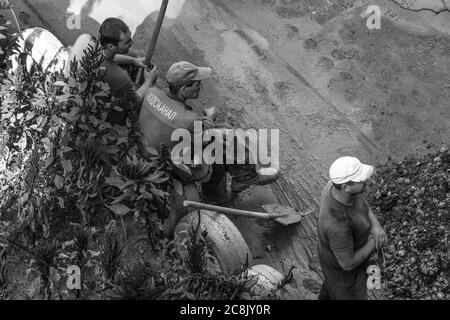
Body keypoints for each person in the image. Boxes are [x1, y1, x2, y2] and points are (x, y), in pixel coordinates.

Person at [138, 61, 278, 204]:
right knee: (220, 142)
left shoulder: (151, 92)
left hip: (144, 155)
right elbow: (203, 139)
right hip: (168, 167)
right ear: (184, 89)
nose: (200, 86)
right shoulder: (188, 119)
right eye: (196, 84)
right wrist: (209, 118)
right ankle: (228, 188)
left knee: (221, 131)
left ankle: (240, 178)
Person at [317, 156, 387, 300]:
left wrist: (375, 225)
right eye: (361, 180)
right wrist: (374, 241)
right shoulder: (338, 225)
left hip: (339, 255)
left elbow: (361, 201)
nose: (366, 181)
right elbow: (347, 264)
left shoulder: (334, 185)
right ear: (346, 186)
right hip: (344, 274)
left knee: (330, 290)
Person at [98, 17, 158, 125]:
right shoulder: (120, 77)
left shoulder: (96, 48)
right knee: (135, 102)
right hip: (108, 113)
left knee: (131, 54)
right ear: (111, 46)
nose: (132, 43)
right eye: (127, 42)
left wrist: (133, 61)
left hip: (102, 86)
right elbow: (134, 102)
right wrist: (149, 81)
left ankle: (129, 89)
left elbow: (112, 57)